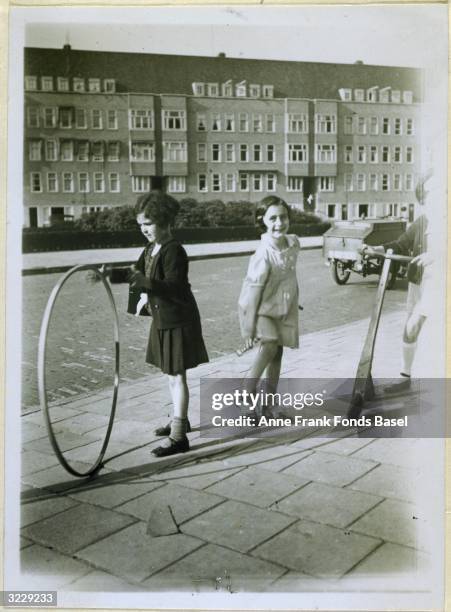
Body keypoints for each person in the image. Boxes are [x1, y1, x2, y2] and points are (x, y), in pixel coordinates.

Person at [111, 191, 209, 456]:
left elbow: (175, 286)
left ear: (166, 223)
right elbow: (136, 273)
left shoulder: (174, 250)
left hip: (178, 319)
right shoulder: (150, 249)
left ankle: (179, 437)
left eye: (149, 223)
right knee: (170, 374)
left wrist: (147, 284)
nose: (144, 229)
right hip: (163, 320)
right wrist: (107, 274)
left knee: (177, 376)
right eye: (141, 224)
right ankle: (182, 419)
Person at [360, 173, 434, 391]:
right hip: (419, 282)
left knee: (417, 326)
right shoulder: (421, 222)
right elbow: (400, 244)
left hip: (438, 284)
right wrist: (376, 250)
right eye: (427, 194)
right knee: (409, 328)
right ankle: (405, 375)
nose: (432, 198)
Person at [238, 196, 301, 418]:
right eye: (272, 218)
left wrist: (292, 297)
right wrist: (248, 326)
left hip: (283, 306)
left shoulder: (293, 243)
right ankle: (247, 391)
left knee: (277, 352)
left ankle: (268, 404)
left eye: (283, 217)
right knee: (270, 343)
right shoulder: (263, 254)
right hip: (258, 307)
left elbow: (289, 275)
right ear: (262, 221)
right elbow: (253, 293)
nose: (279, 223)